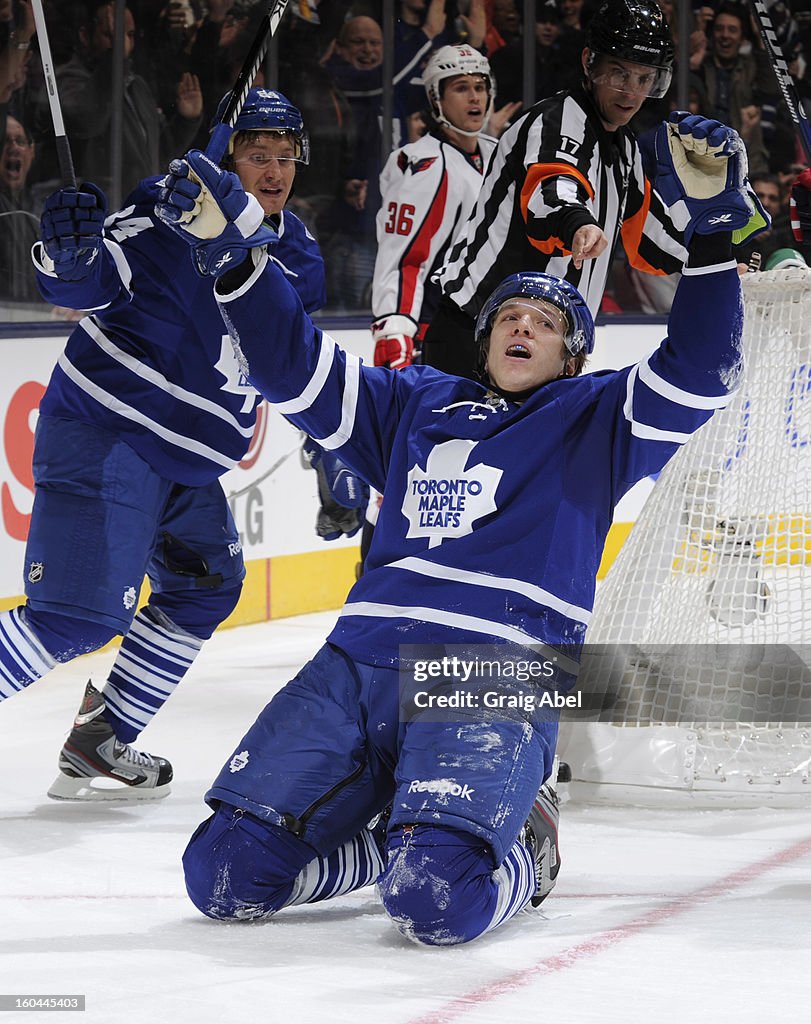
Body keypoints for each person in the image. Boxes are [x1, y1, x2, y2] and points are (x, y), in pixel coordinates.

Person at [157, 109, 755, 944]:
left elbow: (701, 368)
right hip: (354, 668)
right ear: (483, 342)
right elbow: (290, 362)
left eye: (547, 324)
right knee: (220, 876)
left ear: (571, 358)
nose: (523, 326)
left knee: (436, 903)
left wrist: (714, 240)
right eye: (510, 316)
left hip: (492, 667)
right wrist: (236, 268)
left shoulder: (595, 418)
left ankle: (530, 843)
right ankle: (378, 846)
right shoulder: (412, 404)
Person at [0, 89, 325, 802]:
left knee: (205, 586)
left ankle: (102, 740)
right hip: (110, 429)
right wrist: (66, 251)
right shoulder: (162, 203)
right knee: (72, 617)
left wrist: (224, 227)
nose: (273, 171)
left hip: (184, 464)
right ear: (225, 155)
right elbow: (91, 281)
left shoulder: (297, 248)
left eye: (284, 156)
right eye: (255, 155)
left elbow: (280, 331)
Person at [422, 0, 689, 377]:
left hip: (544, 353)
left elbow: (652, 242)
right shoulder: (557, 120)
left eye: (644, 78)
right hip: (479, 340)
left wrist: (721, 248)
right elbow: (551, 192)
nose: (631, 92)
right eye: (619, 73)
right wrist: (577, 224)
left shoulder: (625, 147)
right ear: (589, 63)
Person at [370, 44, 498, 370]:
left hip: (490, 329)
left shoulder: (498, 153)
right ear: (435, 99)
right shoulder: (425, 163)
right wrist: (394, 327)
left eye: (480, 87)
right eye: (461, 88)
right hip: (439, 334)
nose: (474, 98)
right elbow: (404, 256)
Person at [0, 112, 40, 302]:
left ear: (31, 152)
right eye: (5, 141)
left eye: (20, 141)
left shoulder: (42, 208)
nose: (13, 148)